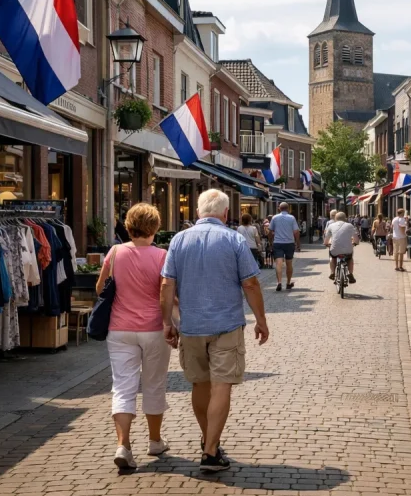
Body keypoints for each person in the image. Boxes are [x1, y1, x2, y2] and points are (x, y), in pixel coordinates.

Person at [160, 189, 270, 472]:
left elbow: (167, 284)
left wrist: (167, 323)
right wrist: (260, 319)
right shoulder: (234, 239)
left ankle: (209, 440)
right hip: (226, 325)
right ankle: (210, 450)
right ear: (225, 213)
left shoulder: (179, 240)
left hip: (191, 326)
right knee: (221, 386)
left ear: (198, 211)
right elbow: (250, 283)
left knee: (200, 384)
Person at [96, 203, 170, 471]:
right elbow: (166, 293)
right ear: (155, 227)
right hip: (153, 329)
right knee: (154, 383)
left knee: (122, 386)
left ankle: (123, 445)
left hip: (120, 329)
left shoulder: (115, 252)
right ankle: (155, 441)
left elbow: (100, 288)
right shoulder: (162, 256)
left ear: (128, 226)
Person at [268, 202, 301, 291]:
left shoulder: (274, 218)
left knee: (278, 263)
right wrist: (298, 243)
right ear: (288, 208)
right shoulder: (292, 218)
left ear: (279, 208)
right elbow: (296, 232)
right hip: (289, 243)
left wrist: (270, 242)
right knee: (289, 263)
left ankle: (279, 282)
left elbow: (270, 231)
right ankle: (288, 283)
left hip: (278, 243)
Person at [324, 211, 358, 282]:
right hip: (347, 249)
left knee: (332, 258)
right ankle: (350, 273)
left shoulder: (331, 226)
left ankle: (332, 273)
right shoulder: (350, 226)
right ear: (345, 218)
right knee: (350, 259)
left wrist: (326, 243)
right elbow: (356, 238)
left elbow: (326, 238)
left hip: (335, 249)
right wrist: (355, 243)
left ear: (335, 218)